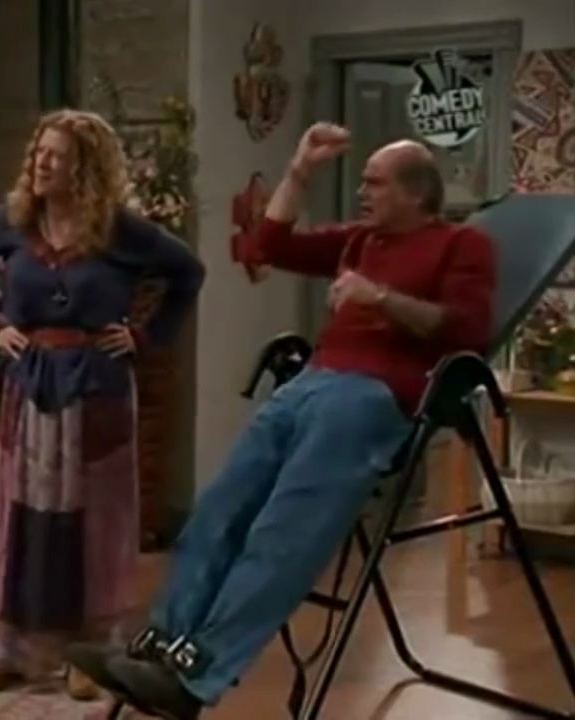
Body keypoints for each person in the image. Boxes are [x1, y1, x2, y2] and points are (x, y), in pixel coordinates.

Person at [66, 123, 497, 719]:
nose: (362, 193)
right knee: (219, 509)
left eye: (375, 183)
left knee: (281, 530)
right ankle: (162, 647)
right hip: (310, 384)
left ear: (417, 193)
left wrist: (379, 298)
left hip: (373, 397)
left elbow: (468, 333)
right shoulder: (361, 240)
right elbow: (270, 244)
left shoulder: (462, 245)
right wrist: (298, 169)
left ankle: (198, 677)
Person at [0, 109, 205, 700]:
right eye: (39, 151)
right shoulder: (13, 222)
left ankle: (88, 655)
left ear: (85, 168)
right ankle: (12, 651)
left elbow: (187, 274)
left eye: (56, 155)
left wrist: (145, 337)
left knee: (94, 524)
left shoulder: (121, 231)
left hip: (97, 389)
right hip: (30, 386)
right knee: (23, 521)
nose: (42, 163)